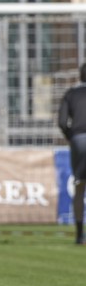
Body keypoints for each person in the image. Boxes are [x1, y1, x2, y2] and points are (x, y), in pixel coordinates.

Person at [58, 63, 86, 244]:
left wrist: (72, 136)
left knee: (79, 187)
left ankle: (79, 235)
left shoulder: (70, 94)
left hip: (78, 140)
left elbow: (61, 121)